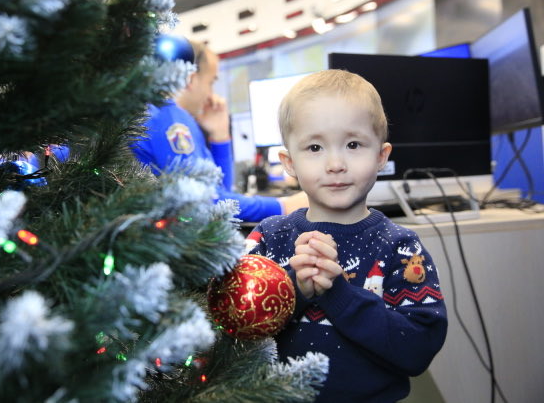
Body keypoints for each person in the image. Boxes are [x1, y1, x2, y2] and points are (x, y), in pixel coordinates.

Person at [245, 69, 447, 402]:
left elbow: (418, 350)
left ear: (381, 156)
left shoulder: (400, 248)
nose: (335, 163)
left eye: (353, 144)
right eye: (314, 147)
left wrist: (338, 294)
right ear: (289, 162)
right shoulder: (267, 238)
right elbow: (236, 332)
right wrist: (294, 289)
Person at [130, 39, 308, 222]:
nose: (211, 94)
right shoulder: (170, 120)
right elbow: (206, 203)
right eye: (210, 82)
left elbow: (220, 192)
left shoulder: (166, 115)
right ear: (190, 79)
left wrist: (220, 137)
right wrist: (282, 206)